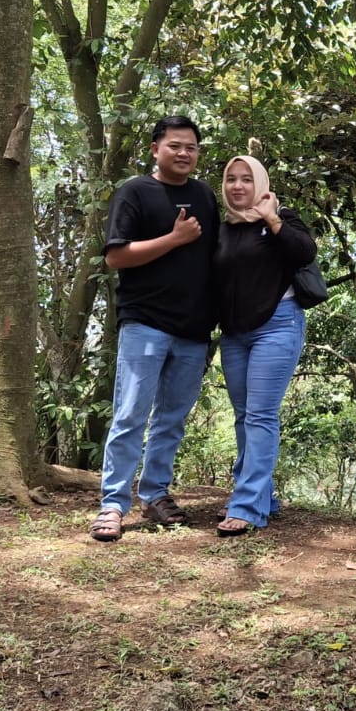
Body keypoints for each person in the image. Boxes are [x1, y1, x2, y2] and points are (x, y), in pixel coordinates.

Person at [90, 115, 220, 543]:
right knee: (130, 413)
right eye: (175, 146)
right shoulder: (134, 192)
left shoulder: (203, 195)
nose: (184, 154)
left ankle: (156, 493)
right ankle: (112, 503)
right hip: (145, 322)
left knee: (172, 419)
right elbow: (116, 257)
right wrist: (174, 238)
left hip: (194, 328)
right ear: (155, 149)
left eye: (192, 148)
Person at [213, 154, 317, 536]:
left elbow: (305, 252)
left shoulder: (283, 219)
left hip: (278, 325)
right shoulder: (221, 228)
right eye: (230, 180)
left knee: (260, 415)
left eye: (245, 179)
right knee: (243, 416)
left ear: (260, 183)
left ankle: (247, 506)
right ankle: (263, 496)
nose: (238, 186)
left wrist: (271, 218)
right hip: (235, 334)